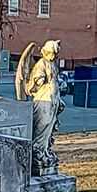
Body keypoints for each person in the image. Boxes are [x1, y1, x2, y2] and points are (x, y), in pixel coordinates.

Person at [24, 40, 64, 177]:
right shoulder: (41, 63)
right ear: (46, 52)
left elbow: (55, 81)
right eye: (52, 53)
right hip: (43, 100)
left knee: (50, 126)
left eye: (55, 54)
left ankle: (45, 150)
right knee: (43, 124)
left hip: (53, 99)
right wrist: (39, 79)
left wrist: (59, 98)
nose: (53, 57)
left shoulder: (53, 64)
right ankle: (37, 152)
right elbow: (34, 81)